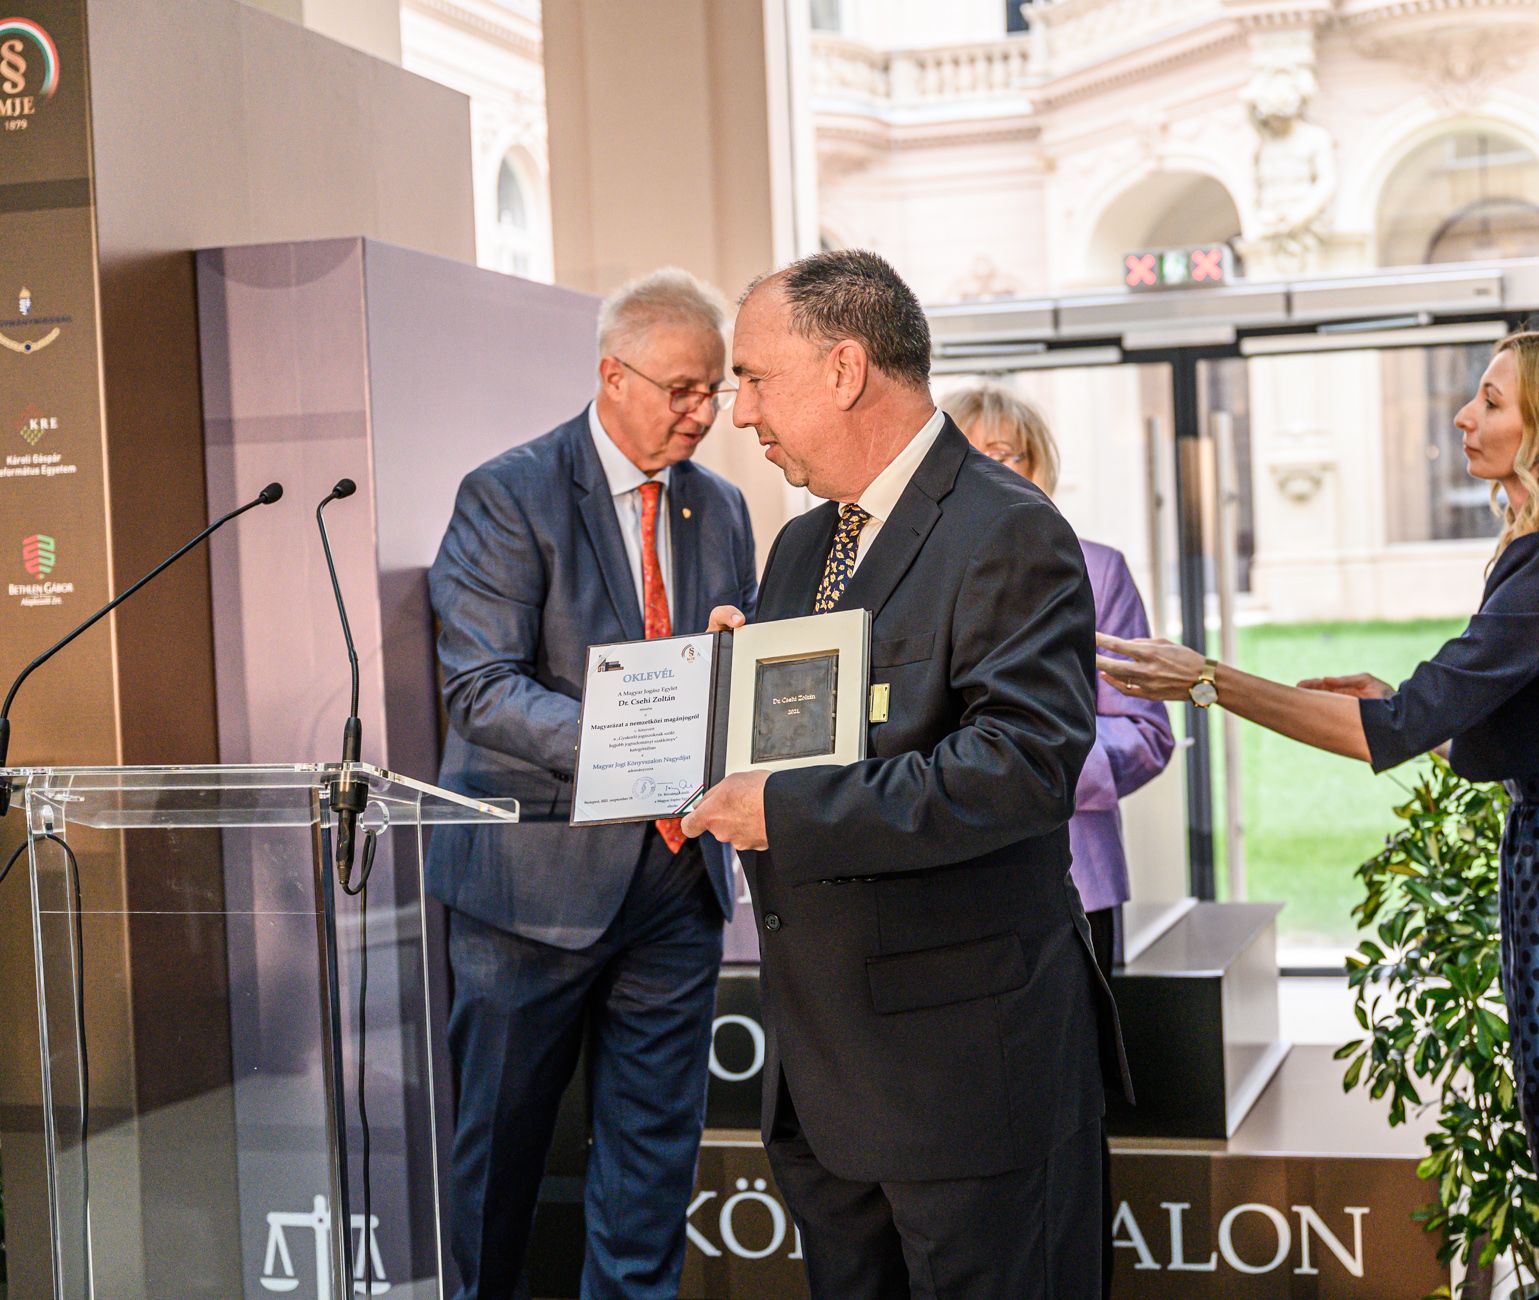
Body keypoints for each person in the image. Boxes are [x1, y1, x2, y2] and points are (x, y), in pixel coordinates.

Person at [1096, 332, 1539, 1300]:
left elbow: (1386, 732)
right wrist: (1407, 714)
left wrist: (1207, 679)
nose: (1464, 415)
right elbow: (1509, 736)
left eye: (1491, 400)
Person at [682, 249, 1129, 1300]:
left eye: (756, 378)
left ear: (844, 369)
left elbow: (1019, 766)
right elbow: (826, 738)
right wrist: (727, 704)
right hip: (824, 1078)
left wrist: (784, 808)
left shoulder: (1009, 528)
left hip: (962, 1079)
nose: (741, 413)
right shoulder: (801, 547)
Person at [426, 268, 758, 1299]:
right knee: (498, 1164)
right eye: (681, 389)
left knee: (651, 1171)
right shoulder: (507, 492)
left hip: (678, 885)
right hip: (530, 889)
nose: (702, 413)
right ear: (614, 375)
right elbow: (480, 688)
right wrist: (639, 746)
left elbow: (729, 674)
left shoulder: (721, 506)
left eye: (714, 391)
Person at [938, 383, 1173, 978]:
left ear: (1038, 465)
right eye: (965, 454)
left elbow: (1145, 731)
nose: (984, 470)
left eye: (1003, 453)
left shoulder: (1099, 570)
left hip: (1077, 876)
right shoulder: (912, 575)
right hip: (944, 875)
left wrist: (1033, 769)